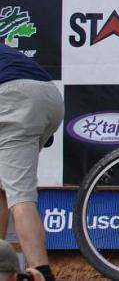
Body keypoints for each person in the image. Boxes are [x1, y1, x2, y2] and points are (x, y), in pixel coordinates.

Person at [0, 45, 63, 281]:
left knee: (20, 197)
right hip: (49, 96)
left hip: (13, 98)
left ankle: (42, 274)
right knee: (3, 189)